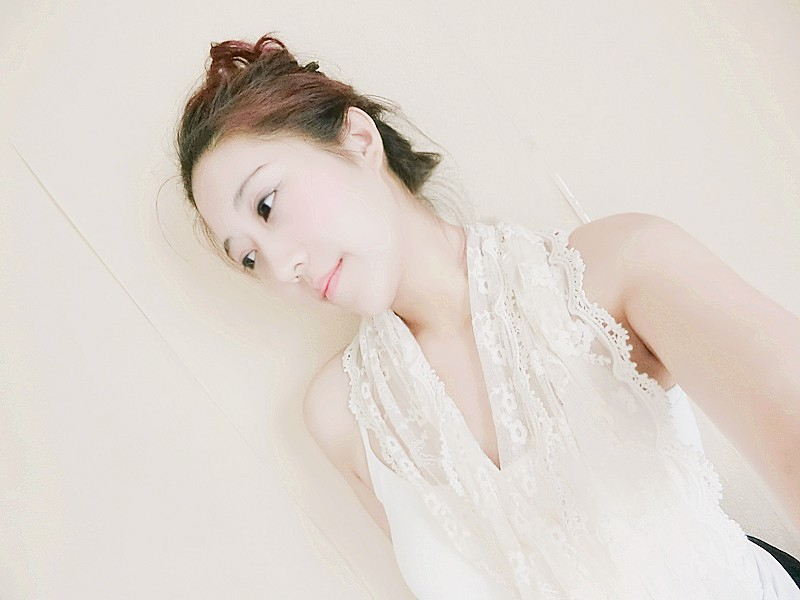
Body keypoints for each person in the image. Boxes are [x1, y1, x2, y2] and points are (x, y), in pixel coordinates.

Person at [175, 33, 800, 599]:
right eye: (248, 258)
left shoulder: (613, 267)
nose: (281, 265)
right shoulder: (340, 414)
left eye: (267, 204)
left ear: (357, 141)